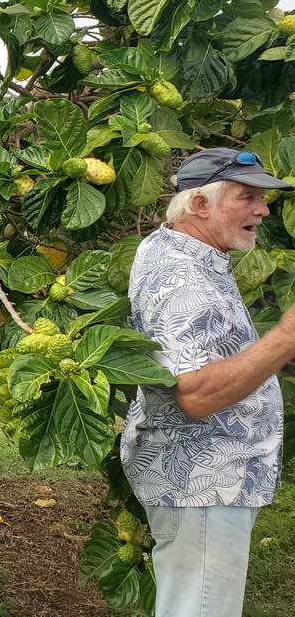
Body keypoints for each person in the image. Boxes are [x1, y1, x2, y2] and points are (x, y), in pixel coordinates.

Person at [120, 148, 295, 617]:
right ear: (200, 205)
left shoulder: (185, 250)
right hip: (202, 480)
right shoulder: (182, 277)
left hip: (205, 478)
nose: (263, 209)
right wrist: (286, 337)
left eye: (262, 198)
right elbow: (195, 394)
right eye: (248, 197)